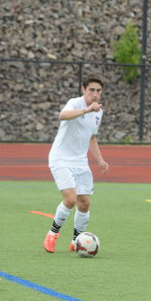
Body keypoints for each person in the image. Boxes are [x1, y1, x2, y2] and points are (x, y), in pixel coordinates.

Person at [43, 73, 109, 253]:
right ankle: (52, 233)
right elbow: (62, 115)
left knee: (84, 202)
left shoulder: (99, 112)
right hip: (60, 158)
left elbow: (92, 137)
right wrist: (86, 110)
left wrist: (100, 160)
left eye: (98, 91)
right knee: (70, 199)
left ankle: (76, 241)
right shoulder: (74, 103)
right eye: (91, 90)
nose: (95, 94)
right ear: (83, 90)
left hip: (80, 161)